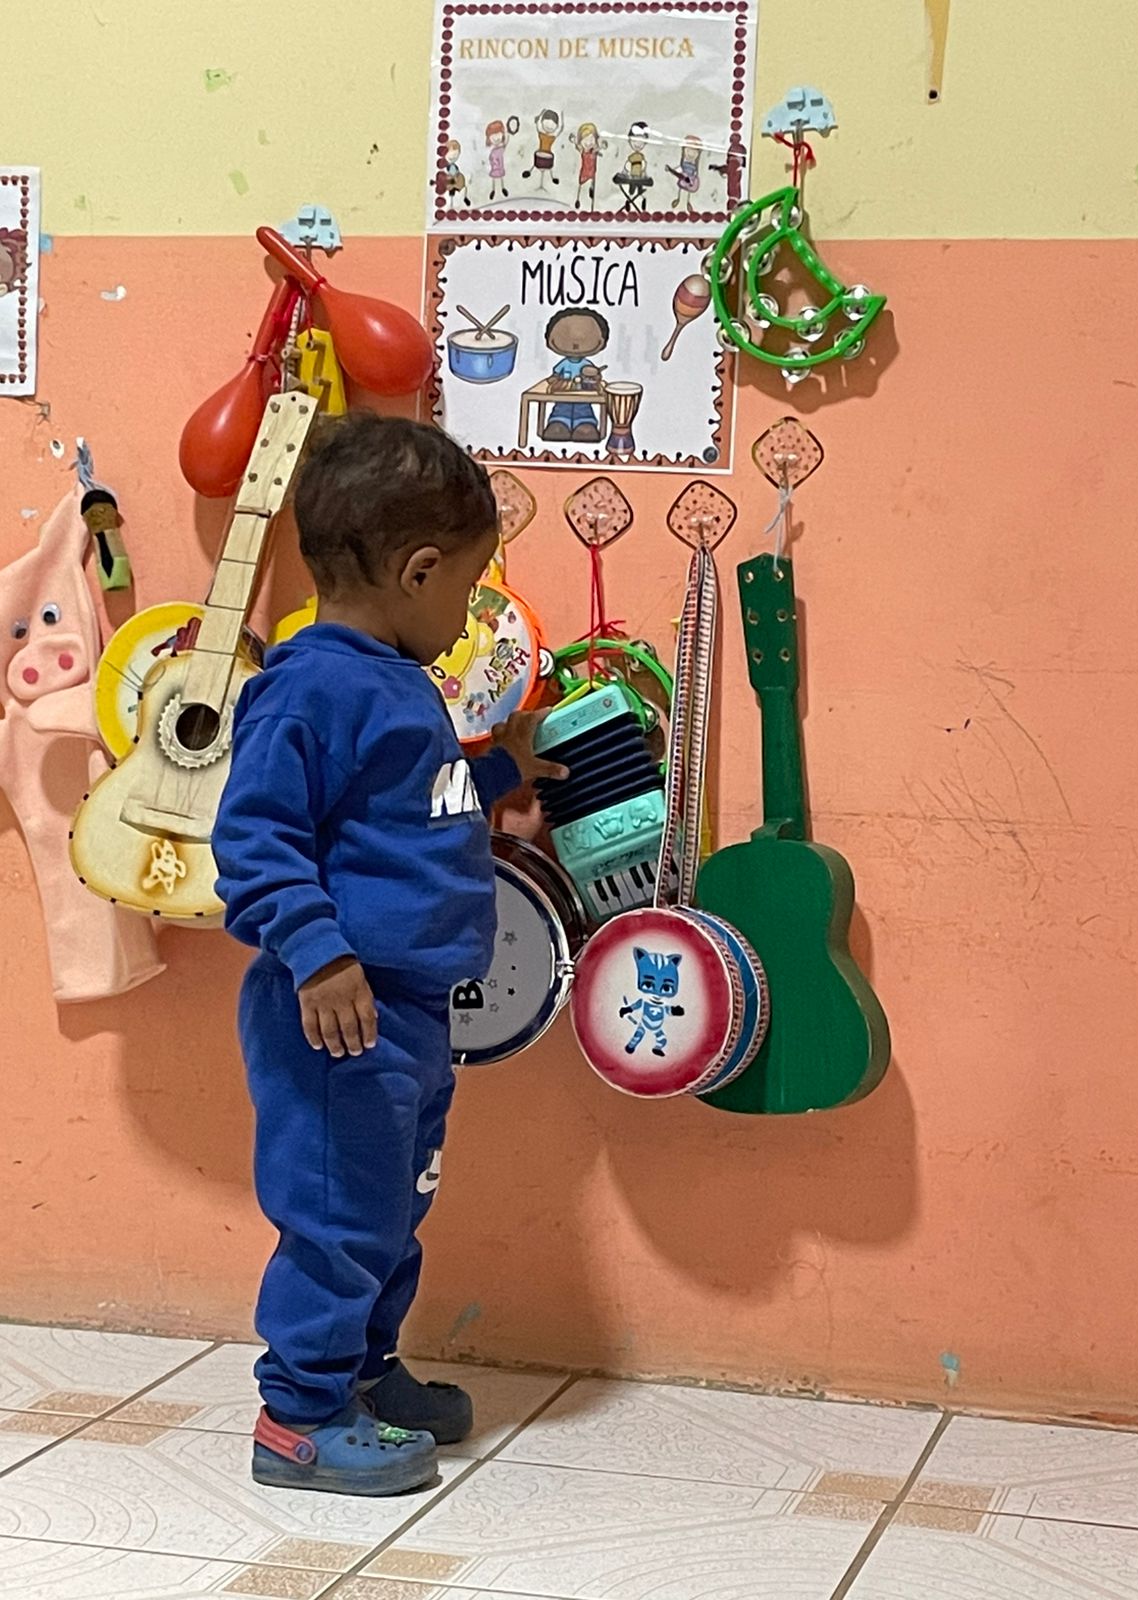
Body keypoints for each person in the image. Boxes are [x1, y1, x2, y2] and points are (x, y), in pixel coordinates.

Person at [212, 416, 566, 1496]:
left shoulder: (392, 679)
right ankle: (299, 1416)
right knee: (335, 1217)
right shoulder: (308, 688)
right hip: (339, 1011)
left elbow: (398, 805)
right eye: (467, 584)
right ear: (418, 571)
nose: (468, 611)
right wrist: (320, 958)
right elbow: (254, 839)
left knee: (389, 1206)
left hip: (407, 1010)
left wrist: (496, 773)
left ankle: (362, 1371)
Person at [540, 306, 609, 443]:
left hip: (583, 400)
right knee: (560, 412)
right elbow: (555, 375)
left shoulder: (587, 364)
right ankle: (559, 423)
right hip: (562, 398)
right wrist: (554, 380)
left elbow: (594, 376)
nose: (576, 343)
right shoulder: (564, 364)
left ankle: (585, 424)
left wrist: (596, 378)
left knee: (584, 412)